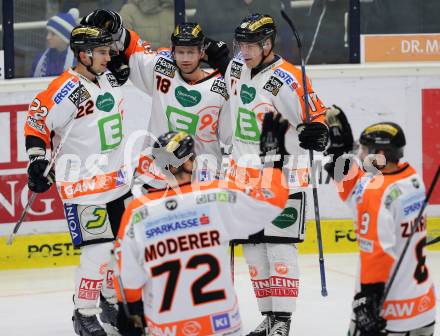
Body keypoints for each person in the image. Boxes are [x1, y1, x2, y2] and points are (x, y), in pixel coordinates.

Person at [114, 112, 290, 336]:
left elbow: (127, 278)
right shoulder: (217, 195)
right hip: (222, 325)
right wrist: (271, 161)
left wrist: (129, 311)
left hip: (167, 329)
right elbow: (272, 199)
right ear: (189, 162)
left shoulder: (137, 211)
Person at [219, 13, 329, 336]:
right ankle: (268, 316)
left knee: (279, 249)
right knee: (254, 252)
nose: (245, 50)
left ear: (267, 44)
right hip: (244, 178)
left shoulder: (288, 79)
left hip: (284, 178)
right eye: (242, 44)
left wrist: (318, 133)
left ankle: (283, 320)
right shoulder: (236, 67)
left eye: (252, 45)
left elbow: (317, 117)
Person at [24, 24, 137, 336]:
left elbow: (129, 60)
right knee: (98, 252)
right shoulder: (66, 89)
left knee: (121, 250)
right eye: (101, 51)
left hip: (117, 183)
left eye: (108, 50)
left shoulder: (109, 76)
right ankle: (83, 313)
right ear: (84, 54)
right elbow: (36, 121)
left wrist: (118, 60)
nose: (109, 55)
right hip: (83, 187)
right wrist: (37, 159)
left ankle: (110, 301)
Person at [81, 9, 230, 185]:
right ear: (172, 51)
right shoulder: (161, 68)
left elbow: (230, 139)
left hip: (203, 177)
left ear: (202, 53)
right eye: (180, 52)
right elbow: (132, 46)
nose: (186, 58)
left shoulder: (223, 89)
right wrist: (114, 27)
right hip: (157, 176)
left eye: (191, 52)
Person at [323, 106, 436, 336]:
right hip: (423, 307)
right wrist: (340, 158)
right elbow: (360, 192)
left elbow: (376, 252)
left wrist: (367, 300)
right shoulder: (412, 178)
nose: (361, 155)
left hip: (388, 313)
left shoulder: (376, 194)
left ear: (380, 154)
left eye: (365, 150)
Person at [32, 8, 79, 77]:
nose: (48, 37)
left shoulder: (79, 63)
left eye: (53, 34)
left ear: (65, 38)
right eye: (48, 33)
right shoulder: (39, 59)